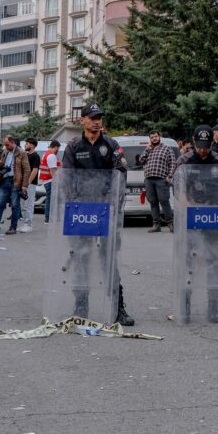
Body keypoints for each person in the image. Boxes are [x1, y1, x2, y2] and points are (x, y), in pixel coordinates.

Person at [61, 102, 133, 326]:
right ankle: (81, 306)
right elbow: (67, 179)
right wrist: (75, 208)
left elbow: (120, 175)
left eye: (99, 117)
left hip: (105, 212)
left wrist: (112, 205)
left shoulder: (111, 145)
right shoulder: (73, 146)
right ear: (82, 120)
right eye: (92, 117)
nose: (96, 121)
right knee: (82, 259)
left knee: (109, 260)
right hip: (82, 214)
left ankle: (118, 309)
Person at [172, 125, 218, 322]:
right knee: (188, 262)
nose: (202, 150)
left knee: (214, 263)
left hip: (214, 219)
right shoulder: (184, 161)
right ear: (193, 141)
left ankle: (213, 307)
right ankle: (185, 307)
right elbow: (178, 189)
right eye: (199, 146)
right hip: (191, 217)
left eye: (206, 147)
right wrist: (190, 208)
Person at [0, 134, 30, 236]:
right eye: (5, 145)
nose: (5, 147)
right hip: (5, 180)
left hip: (16, 181)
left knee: (15, 205)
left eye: (7, 144)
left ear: (13, 142)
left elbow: (27, 169)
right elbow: (3, 164)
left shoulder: (21, 153)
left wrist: (24, 185)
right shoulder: (5, 152)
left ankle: (13, 227)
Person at [137, 129, 175, 232]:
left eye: (155, 136)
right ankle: (156, 225)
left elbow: (172, 163)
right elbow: (141, 161)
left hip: (162, 179)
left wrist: (170, 175)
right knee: (153, 202)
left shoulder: (167, 149)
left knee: (164, 201)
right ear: (150, 139)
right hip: (149, 179)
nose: (154, 138)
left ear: (159, 137)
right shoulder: (149, 150)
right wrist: (147, 149)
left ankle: (170, 223)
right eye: (152, 137)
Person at [19, 138, 41, 233]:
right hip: (23, 183)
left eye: (27, 144)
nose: (25, 145)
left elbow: (35, 170)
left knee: (29, 204)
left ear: (32, 145)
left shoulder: (35, 156)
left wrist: (28, 182)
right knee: (23, 204)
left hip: (30, 184)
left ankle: (29, 224)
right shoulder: (26, 155)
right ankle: (25, 223)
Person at [37, 139, 60, 224]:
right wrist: (57, 181)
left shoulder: (45, 155)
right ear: (56, 147)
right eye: (58, 148)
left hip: (46, 181)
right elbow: (53, 170)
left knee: (49, 200)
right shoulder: (51, 156)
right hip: (51, 181)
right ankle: (49, 218)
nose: (57, 151)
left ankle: (48, 218)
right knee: (51, 201)